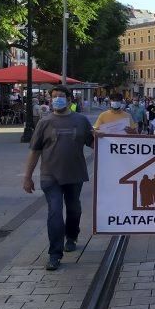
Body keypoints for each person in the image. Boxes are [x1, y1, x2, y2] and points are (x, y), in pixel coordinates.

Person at [23, 85, 94, 271]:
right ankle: (54, 254)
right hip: (50, 176)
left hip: (75, 174)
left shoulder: (81, 120)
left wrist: (117, 140)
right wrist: (27, 176)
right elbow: (35, 151)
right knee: (54, 212)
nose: (57, 99)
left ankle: (71, 236)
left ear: (70, 100)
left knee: (74, 209)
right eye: (54, 96)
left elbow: (94, 143)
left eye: (61, 96)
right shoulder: (44, 123)